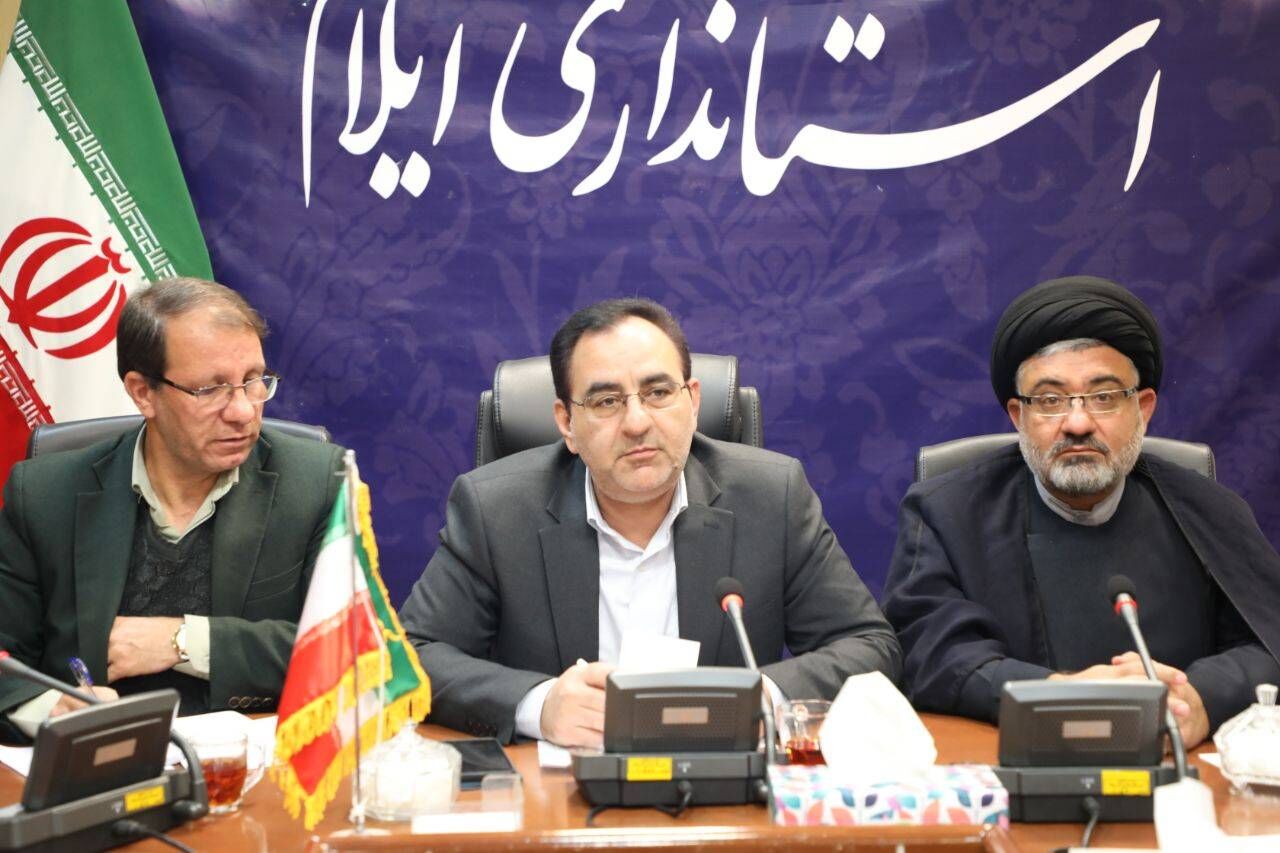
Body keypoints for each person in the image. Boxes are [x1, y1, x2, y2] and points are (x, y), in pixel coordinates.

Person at [400, 298, 900, 747]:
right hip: (558, 795)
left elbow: (870, 646)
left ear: (693, 401)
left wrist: (761, 696)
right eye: (606, 401)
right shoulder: (496, 509)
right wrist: (539, 704)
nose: (637, 423)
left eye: (658, 392)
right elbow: (410, 656)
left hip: (725, 794)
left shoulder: (772, 497)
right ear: (566, 423)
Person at [882, 275, 1280, 748]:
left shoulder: (1209, 510)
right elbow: (928, 654)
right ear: (1018, 416)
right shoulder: (945, 513)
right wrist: (1055, 693)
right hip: (1009, 766)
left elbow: (1268, 639)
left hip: (1174, 766)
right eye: (1050, 400)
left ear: (1143, 408)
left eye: (1104, 397)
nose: (1077, 422)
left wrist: (1198, 697)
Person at [0, 277, 345, 742]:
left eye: (254, 381)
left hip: (252, 762)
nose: (244, 411)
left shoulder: (317, 482)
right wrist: (52, 709)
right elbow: (6, 661)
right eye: (212, 389)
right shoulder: (46, 495)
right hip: (100, 764)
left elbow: (351, 647)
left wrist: (182, 641)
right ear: (143, 393)